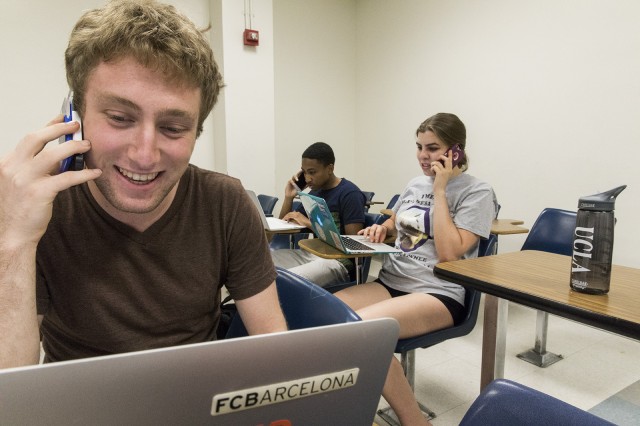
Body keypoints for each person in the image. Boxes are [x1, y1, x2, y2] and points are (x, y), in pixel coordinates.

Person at [0, 0, 286, 368]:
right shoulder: (39, 212)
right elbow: (10, 395)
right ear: (76, 116)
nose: (145, 155)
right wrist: (15, 239)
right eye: (120, 118)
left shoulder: (224, 203)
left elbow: (274, 350)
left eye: (173, 128)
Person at [335, 113, 498, 425]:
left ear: (457, 151)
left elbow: (450, 253)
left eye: (433, 148)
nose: (424, 156)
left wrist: (440, 190)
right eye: (419, 147)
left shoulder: (477, 192)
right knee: (328, 316)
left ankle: (414, 422)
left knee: (365, 333)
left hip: (438, 291)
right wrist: (381, 229)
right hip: (393, 280)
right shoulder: (413, 184)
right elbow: (396, 222)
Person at [271, 142, 366, 287]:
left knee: (288, 281)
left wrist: (310, 223)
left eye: (312, 172)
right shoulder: (315, 192)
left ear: (330, 168)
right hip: (313, 254)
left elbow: (354, 244)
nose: (308, 178)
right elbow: (284, 225)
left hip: (339, 262)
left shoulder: (350, 194)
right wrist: (289, 197)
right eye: (304, 172)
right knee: (261, 263)